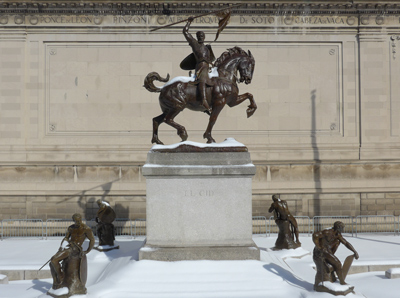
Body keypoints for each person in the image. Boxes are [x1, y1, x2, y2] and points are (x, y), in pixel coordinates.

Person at [50, 213, 95, 289]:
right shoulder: (71, 228)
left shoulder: (86, 229)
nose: (78, 222)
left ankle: (60, 276)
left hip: (76, 249)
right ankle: (57, 281)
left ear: (81, 219)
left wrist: (87, 250)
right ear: (73, 220)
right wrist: (62, 246)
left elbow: (92, 240)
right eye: (76, 221)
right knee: (52, 263)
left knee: (54, 260)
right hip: (68, 247)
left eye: (79, 220)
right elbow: (66, 238)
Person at [182, 16, 215, 113]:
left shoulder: (207, 48)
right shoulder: (194, 44)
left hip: (208, 67)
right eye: (199, 35)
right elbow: (185, 32)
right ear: (197, 37)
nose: (201, 37)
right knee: (203, 79)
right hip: (200, 67)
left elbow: (211, 59)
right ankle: (204, 101)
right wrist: (188, 22)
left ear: (204, 37)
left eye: (202, 35)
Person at [312, 221, 359, 286]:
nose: (343, 230)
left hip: (327, 251)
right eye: (342, 228)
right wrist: (319, 246)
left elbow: (346, 243)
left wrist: (354, 251)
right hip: (321, 251)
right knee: (338, 264)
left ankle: (334, 278)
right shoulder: (327, 232)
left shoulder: (338, 235)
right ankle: (342, 282)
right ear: (338, 227)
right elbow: (315, 235)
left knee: (337, 242)